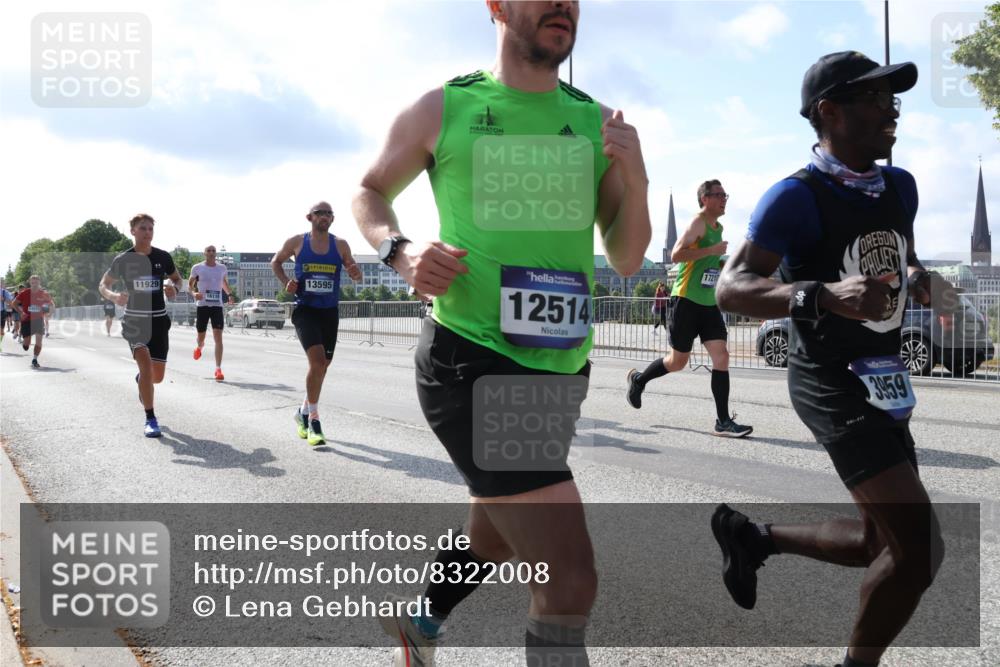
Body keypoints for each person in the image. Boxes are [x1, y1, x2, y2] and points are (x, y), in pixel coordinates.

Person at [353, 2, 651, 665]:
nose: (563, 6)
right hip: (473, 358)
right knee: (569, 577)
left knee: (495, 533)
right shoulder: (444, 108)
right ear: (496, 6)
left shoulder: (598, 123)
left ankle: (419, 622)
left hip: (562, 366)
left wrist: (637, 176)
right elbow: (369, 192)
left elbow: (629, 256)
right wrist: (400, 250)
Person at [713, 51, 946, 667]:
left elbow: (900, 252)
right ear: (829, 112)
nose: (891, 108)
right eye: (874, 98)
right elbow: (730, 288)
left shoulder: (900, 185)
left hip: (884, 377)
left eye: (893, 98)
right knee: (918, 550)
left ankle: (754, 538)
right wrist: (818, 294)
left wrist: (918, 276)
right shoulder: (794, 197)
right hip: (828, 381)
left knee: (881, 542)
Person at [626, 180, 752, 438]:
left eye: (725, 195)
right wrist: (712, 250)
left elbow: (708, 260)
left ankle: (723, 421)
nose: (724, 199)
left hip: (708, 303)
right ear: (705, 199)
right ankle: (639, 380)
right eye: (718, 195)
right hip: (685, 301)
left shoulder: (719, 227)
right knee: (677, 362)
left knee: (722, 357)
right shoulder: (698, 223)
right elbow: (675, 255)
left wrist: (721, 262)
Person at [271, 202, 363, 446]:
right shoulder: (297, 242)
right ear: (309, 217)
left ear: (333, 219)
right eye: (320, 213)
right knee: (317, 361)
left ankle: (301, 412)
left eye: (329, 213)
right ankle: (313, 420)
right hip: (305, 310)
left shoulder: (340, 245)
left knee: (324, 366)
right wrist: (286, 282)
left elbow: (354, 270)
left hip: (329, 312)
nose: (325, 216)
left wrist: (355, 273)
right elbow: (275, 262)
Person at [99, 213, 183, 438]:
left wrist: (175, 288)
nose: (148, 232)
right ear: (133, 231)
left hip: (159, 319)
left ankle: (141, 381)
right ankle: (150, 418)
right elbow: (103, 284)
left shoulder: (163, 257)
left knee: (156, 377)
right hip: (135, 320)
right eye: (143, 228)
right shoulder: (123, 260)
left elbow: (177, 279)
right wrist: (113, 295)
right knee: (145, 367)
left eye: (150, 229)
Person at [189, 245, 234, 381]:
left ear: (216, 254)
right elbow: (190, 285)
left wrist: (230, 294)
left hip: (217, 307)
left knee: (218, 338)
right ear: (204, 253)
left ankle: (218, 369)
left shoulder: (222, 268)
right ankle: (199, 347)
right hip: (202, 305)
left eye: (213, 251)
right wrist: (194, 293)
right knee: (201, 337)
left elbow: (223, 282)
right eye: (209, 251)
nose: (211, 253)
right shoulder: (197, 268)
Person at [12, 276, 55, 368]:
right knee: (26, 345)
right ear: (30, 283)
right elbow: (14, 303)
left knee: (39, 342)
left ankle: (35, 359)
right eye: (32, 282)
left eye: (36, 282)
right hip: (26, 320)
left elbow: (51, 304)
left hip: (39, 320)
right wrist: (21, 312)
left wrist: (50, 313)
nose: (34, 284)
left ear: (39, 282)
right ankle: (25, 343)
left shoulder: (44, 293)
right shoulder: (24, 293)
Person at [0, 282, 13, 352]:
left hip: (2, 312)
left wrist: (3, 299)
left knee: (1, 330)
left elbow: (10, 302)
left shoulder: (4, 292)